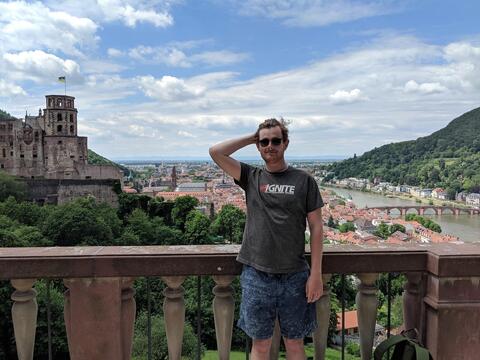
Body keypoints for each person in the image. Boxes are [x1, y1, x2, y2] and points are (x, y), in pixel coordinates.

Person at [209, 118, 324, 360]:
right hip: (256, 273)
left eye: (275, 140)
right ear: (258, 146)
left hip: (295, 274)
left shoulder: (304, 180)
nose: (270, 146)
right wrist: (252, 138)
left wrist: (316, 275)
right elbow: (216, 152)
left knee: (295, 344)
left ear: (286, 143)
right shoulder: (251, 176)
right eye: (264, 142)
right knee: (259, 346)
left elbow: (316, 227)